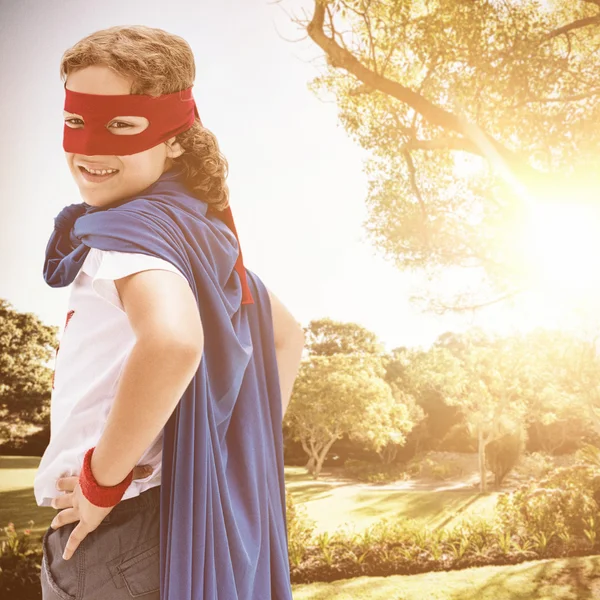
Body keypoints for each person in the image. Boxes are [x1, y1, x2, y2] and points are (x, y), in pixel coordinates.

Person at [34, 24, 305, 600]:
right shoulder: (198, 236)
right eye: (77, 121)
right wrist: (233, 457)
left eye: (124, 126)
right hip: (170, 520)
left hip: (113, 535)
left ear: (176, 138)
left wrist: (99, 484)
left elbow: (173, 343)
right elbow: (287, 336)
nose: (92, 147)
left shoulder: (129, 236)